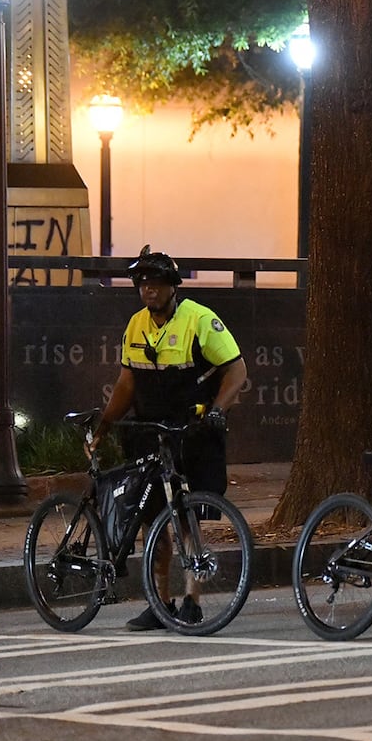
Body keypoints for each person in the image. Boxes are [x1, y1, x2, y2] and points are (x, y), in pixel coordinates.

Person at [89, 246, 248, 632]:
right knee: (152, 520)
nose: (149, 290)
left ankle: (192, 600)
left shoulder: (198, 319)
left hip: (191, 433)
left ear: (172, 287)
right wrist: (105, 424)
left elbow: (236, 370)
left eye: (157, 283)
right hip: (149, 434)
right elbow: (127, 383)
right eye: (143, 283)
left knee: (188, 517)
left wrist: (217, 411)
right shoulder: (135, 325)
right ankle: (160, 604)